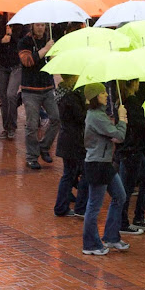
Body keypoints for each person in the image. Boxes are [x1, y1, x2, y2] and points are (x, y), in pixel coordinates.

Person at [82, 83, 130, 255]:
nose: (106, 95)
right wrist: (122, 120)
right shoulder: (96, 116)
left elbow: (112, 134)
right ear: (96, 97)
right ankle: (90, 244)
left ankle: (111, 236)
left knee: (120, 196)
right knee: (94, 206)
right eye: (102, 93)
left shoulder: (99, 115)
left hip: (104, 163)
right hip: (98, 164)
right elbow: (119, 135)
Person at [116, 79, 145, 235]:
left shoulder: (122, 100)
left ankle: (138, 217)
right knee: (127, 187)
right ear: (133, 84)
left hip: (133, 149)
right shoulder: (131, 102)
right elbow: (144, 124)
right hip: (131, 150)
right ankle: (123, 222)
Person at [18, 23, 60, 169]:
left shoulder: (50, 40)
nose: (40, 28)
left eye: (43, 25)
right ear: (32, 26)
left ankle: (44, 146)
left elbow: (55, 63)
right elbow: (27, 61)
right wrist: (45, 49)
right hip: (30, 90)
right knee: (32, 125)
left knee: (56, 118)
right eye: (38, 25)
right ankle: (31, 157)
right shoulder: (25, 42)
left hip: (47, 87)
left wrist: (54, 55)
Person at [54, 74, 89, 217]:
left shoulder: (62, 93)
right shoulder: (71, 96)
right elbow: (81, 117)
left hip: (67, 139)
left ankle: (63, 205)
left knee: (69, 174)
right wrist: (86, 103)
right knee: (77, 174)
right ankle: (71, 206)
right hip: (74, 141)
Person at [0, 15, 25, 140]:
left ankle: (13, 126)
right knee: (3, 97)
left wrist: (12, 36)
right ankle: (6, 127)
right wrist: (2, 41)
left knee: (11, 94)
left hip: (16, 66)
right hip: (2, 65)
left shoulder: (22, 26)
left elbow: (23, 45)